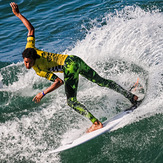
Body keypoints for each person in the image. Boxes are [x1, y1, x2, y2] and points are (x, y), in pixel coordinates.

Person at [10, 2, 138, 133]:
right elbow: (31, 29)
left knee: (71, 102)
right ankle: (131, 97)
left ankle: (96, 123)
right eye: (25, 62)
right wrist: (18, 14)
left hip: (69, 67)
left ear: (34, 59)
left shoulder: (39, 70)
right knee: (101, 81)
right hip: (74, 59)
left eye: (29, 63)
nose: (27, 65)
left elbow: (59, 82)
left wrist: (42, 93)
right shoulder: (30, 48)